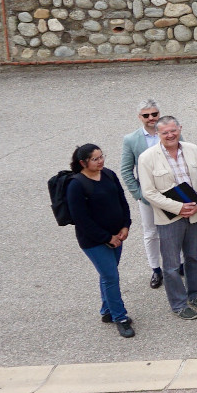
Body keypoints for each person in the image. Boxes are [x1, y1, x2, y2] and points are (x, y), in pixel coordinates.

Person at [137, 115, 197, 320]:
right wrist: (178, 207)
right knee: (170, 265)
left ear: (180, 128)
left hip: (194, 214)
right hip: (169, 219)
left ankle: (194, 294)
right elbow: (149, 193)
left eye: (173, 131)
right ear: (158, 134)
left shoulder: (193, 150)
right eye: (165, 132)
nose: (170, 135)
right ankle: (178, 304)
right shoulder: (147, 158)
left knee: (193, 257)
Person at [67, 144, 135, 337]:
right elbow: (81, 219)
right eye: (95, 159)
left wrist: (125, 226)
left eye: (101, 156)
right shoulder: (76, 185)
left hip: (117, 236)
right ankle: (120, 317)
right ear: (83, 162)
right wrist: (107, 238)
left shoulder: (109, 174)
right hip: (95, 241)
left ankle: (107, 311)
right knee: (111, 277)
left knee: (108, 275)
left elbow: (122, 201)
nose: (101, 161)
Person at [119, 99, 166, 290]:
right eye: (146, 115)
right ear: (140, 117)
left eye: (154, 114)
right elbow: (126, 170)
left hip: (172, 192)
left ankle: (179, 264)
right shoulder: (131, 139)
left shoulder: (169, 131)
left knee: (177, 230)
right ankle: (156, 268)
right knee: (151, 233)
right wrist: (139, 194)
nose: (151, 118)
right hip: (147, 196)